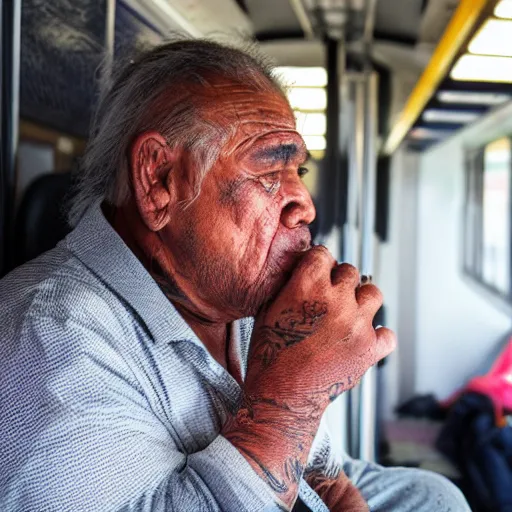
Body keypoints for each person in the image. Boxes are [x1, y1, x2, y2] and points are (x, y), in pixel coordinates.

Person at [0, 40, 470, 512]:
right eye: (269, 170)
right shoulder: (47, 337)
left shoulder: (234, 299)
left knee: (435, 497)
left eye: (298, 170)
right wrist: (295, 394)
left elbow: (321, 474)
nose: (304, 203)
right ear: (159, 181)